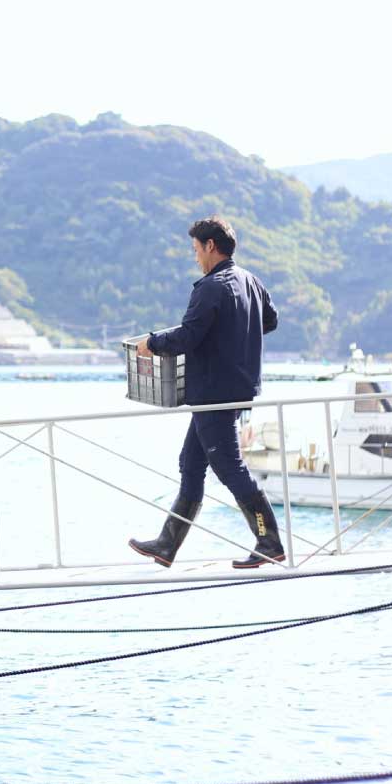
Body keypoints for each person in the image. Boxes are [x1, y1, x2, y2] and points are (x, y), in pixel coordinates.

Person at [128, 216, 282, 569]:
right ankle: (167, 544)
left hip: (214, 392)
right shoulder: (251, 281)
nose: (195, 256)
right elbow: (270, 321)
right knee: (191, 463)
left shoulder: (210, 287)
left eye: (196, 249)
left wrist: (152, 343)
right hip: (234, 388)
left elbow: (188, 337)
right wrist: (236, 334)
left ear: (210, 246)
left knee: (229, 467)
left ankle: (269, 540)